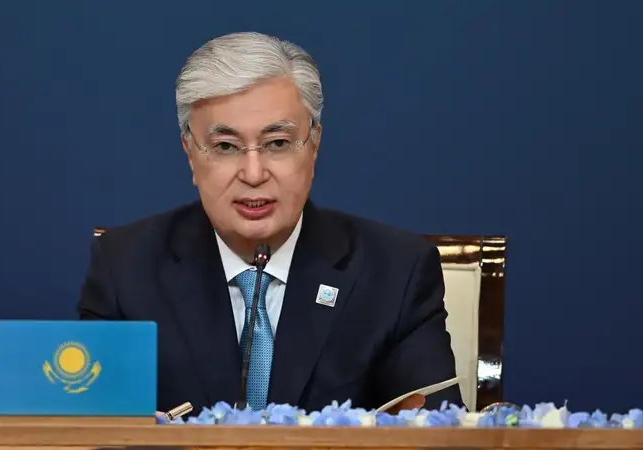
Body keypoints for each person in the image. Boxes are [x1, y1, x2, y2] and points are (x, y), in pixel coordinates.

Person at [77, 31, 462, 414]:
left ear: (314, 146)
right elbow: (90, 426)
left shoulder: (396, 273)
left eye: (277, 143)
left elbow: (436, 429)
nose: (253, 173)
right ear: (190, 153)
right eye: (225, 147)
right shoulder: (125, 269)